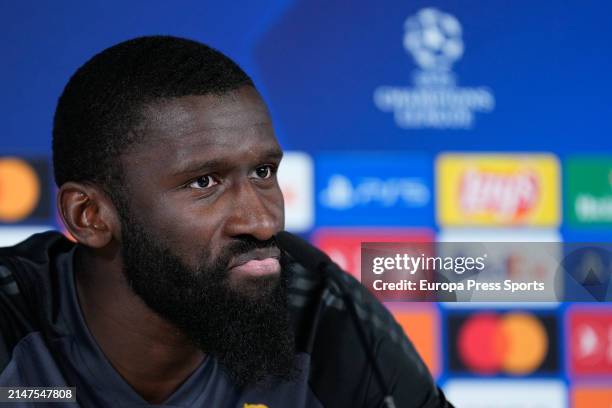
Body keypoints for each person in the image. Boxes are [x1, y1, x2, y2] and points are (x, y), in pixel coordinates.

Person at [0, 36, 451, 407]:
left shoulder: (319, 313)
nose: (262, 222)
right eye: (204, 182)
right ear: (90, 216)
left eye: (263, 172)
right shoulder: (12, 322)